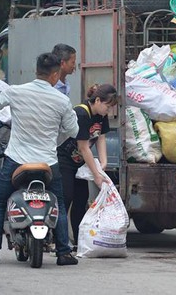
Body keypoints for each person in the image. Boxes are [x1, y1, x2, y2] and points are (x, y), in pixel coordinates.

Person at [0, 53, 79, 266]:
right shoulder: (62, 100)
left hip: (16, 161)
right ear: (56, 74)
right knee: (58, 201)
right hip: (48, 162)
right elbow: (73, 131)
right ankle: (64, 252)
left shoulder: (16, 92)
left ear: (36, 71)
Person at [57, 83, 117, 251]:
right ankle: (56, 240)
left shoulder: (100, 115)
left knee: (81, 200)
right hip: (65, 160)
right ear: (97, 100)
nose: (109, 110)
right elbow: (83, 147)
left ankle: (78, 242)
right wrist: (96, 176)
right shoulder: (81, 113)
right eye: (107, 106)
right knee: (66, 197)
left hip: (80, 163)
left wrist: (103, 164)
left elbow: (101, 138)